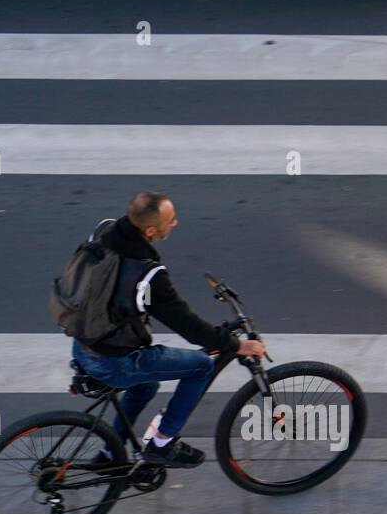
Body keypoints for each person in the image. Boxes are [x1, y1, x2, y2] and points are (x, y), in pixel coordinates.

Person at [74, 191, 265, 469]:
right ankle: (162, 444)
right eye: (171, 220)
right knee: (201, 365)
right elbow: (186, 325)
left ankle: (111, 452)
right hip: (113, 359)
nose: (175, 223)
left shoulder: (104, 234)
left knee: (146, 385)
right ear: (150, 230)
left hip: (82, 343)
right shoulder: (147, 274)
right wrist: (237, 345)